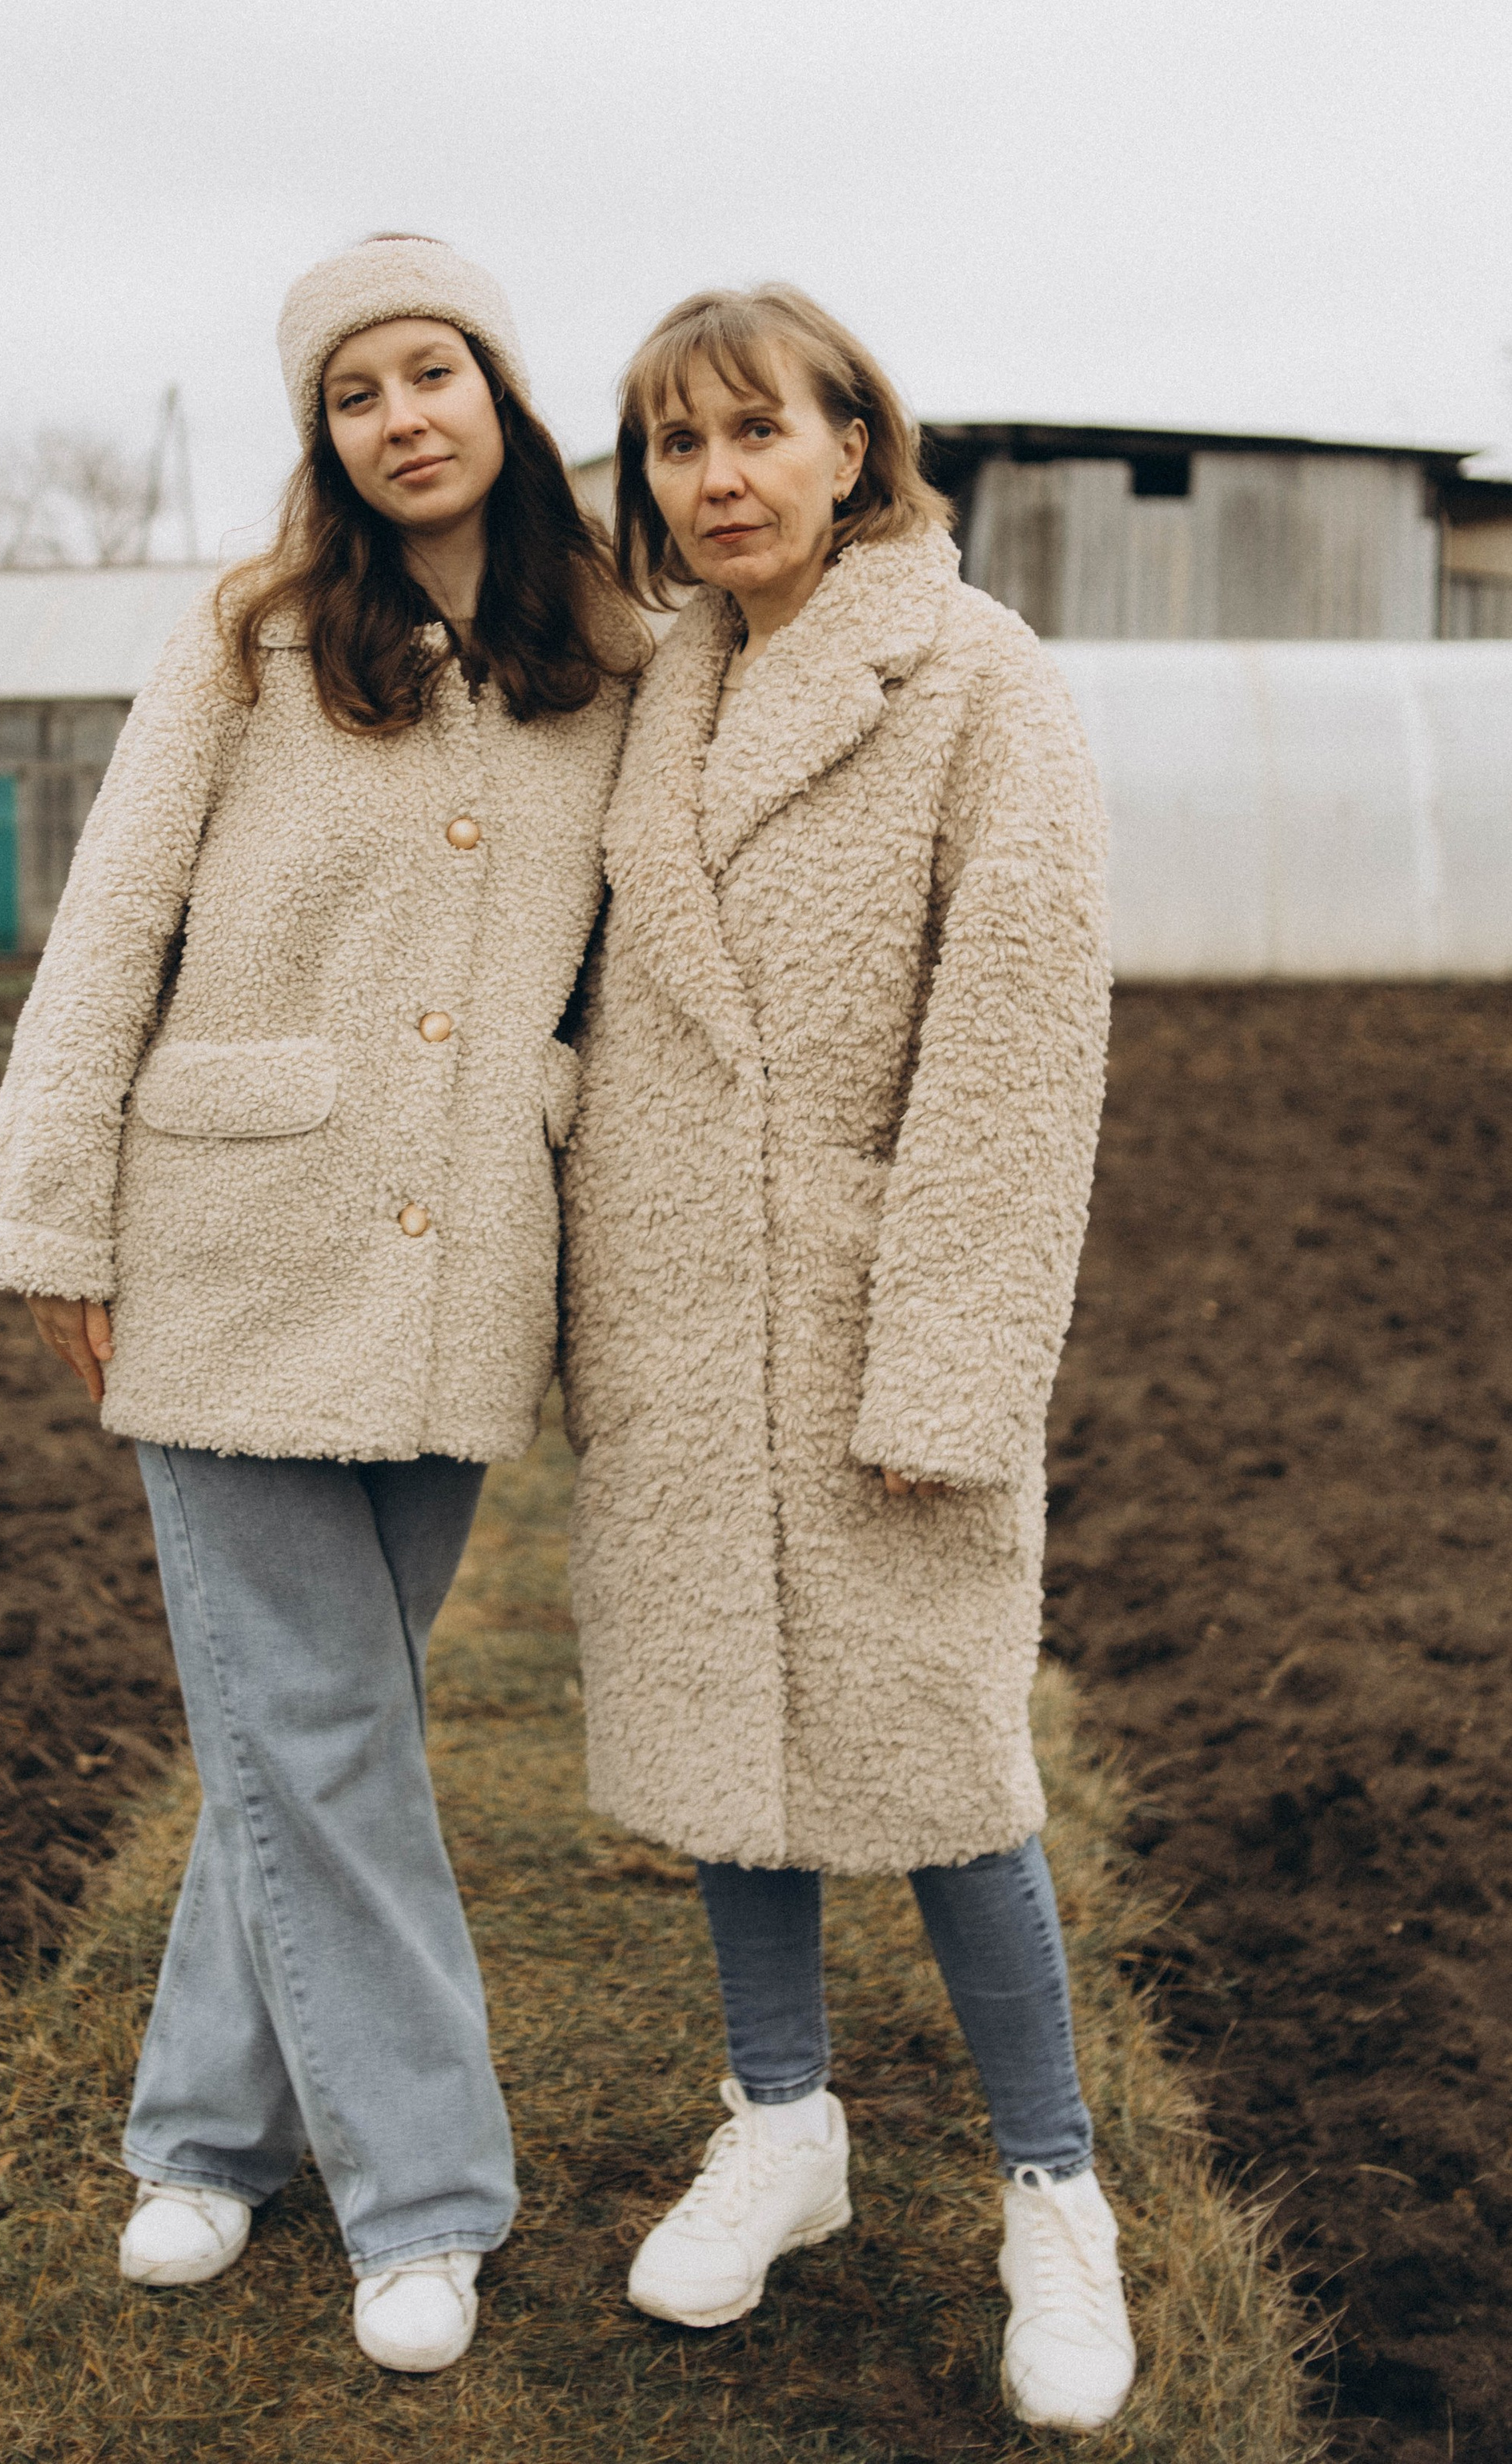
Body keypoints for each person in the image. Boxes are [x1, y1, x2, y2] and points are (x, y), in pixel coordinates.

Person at [0, 236, 640, 2375]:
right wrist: (54, 1207)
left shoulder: (616, 655)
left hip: (459, 1276)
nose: (399, 417)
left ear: (504, 392)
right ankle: (424, 2198)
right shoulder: (252, 639)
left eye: (430, 371)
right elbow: (112, 920)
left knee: (310, 1727)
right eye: (353, 395)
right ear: (324, 442)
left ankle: (195, 2134)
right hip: (235, 1247)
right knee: (327, 1730)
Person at [557, 284, 1135, 2434]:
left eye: (750, 435)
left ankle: (1053, 2195)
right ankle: (782, 2124)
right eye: (674, 448)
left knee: (949, 1771)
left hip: (877, 1311)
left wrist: (952, 1375)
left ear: (847, 445)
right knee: (729, 1738)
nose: (714, 480)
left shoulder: (978, 680)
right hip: (679, 1306)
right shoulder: (655, 689)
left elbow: (1018, 1057)